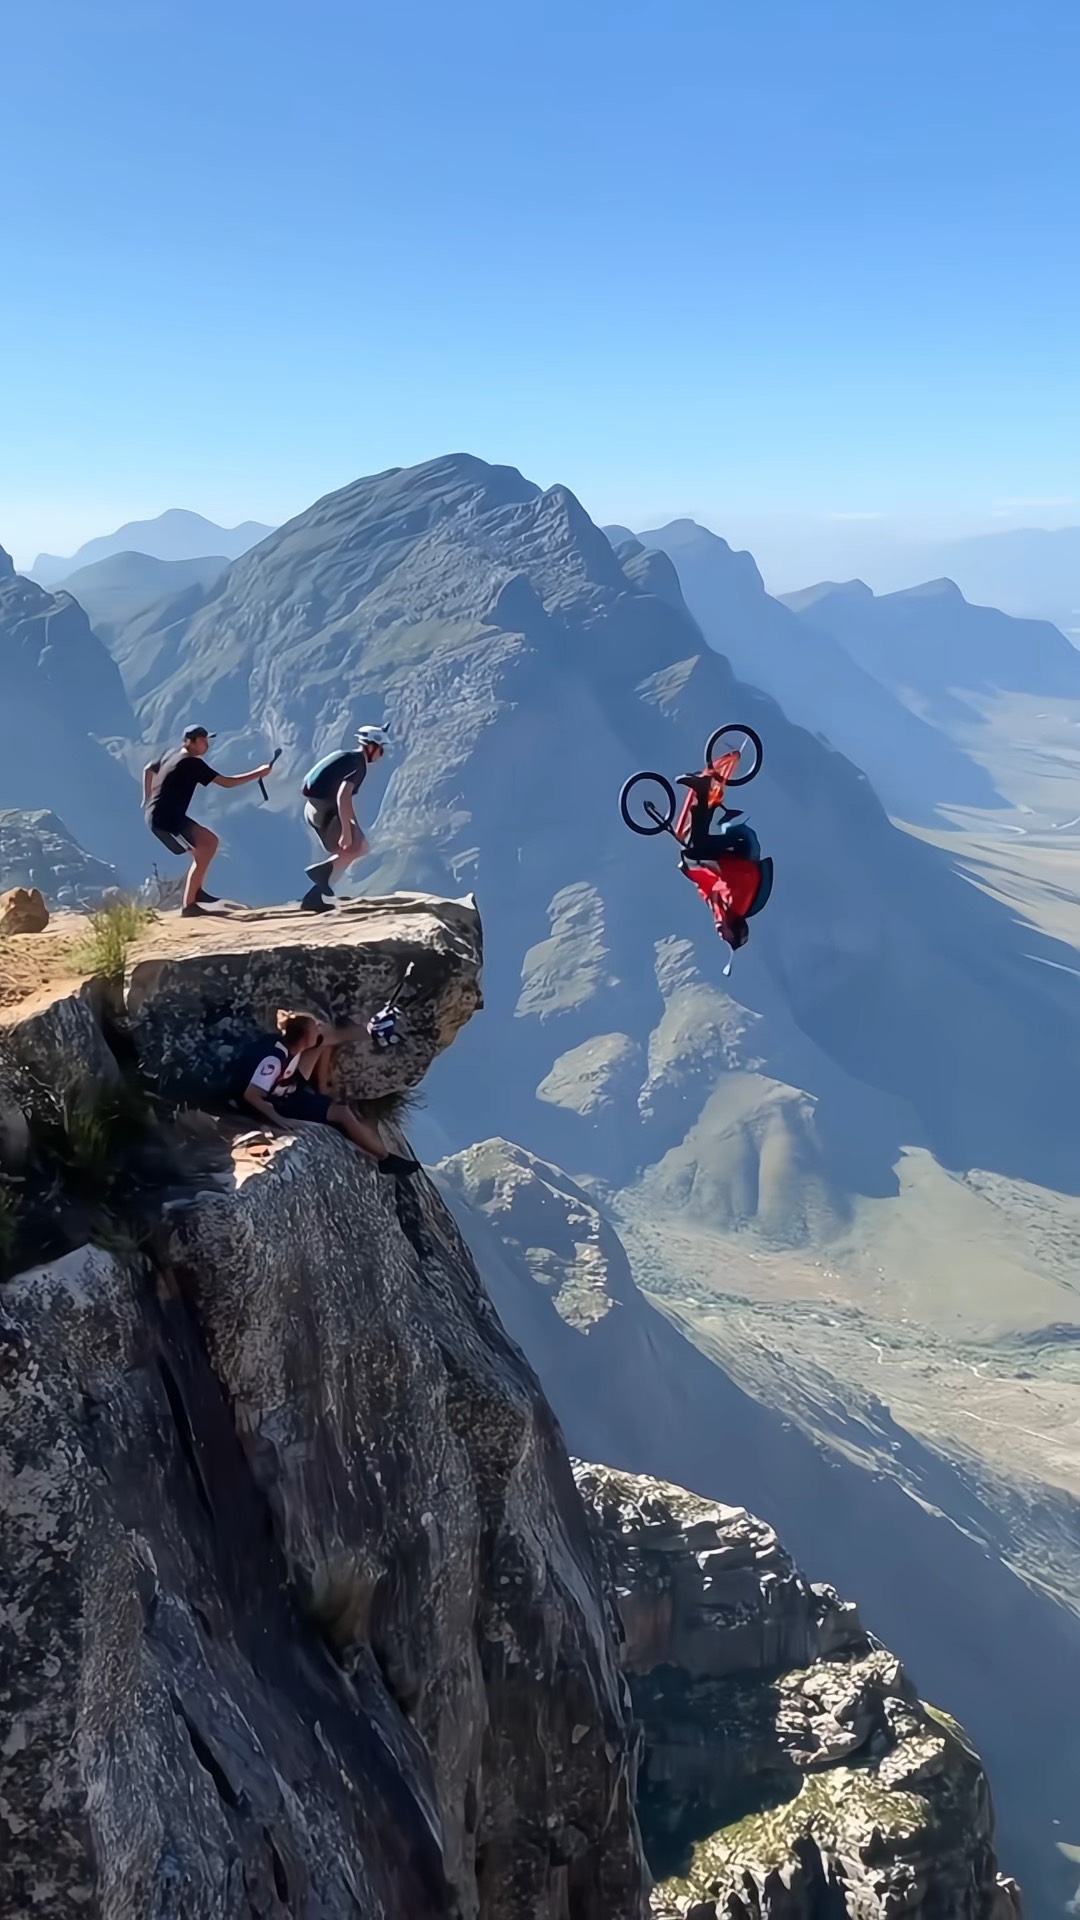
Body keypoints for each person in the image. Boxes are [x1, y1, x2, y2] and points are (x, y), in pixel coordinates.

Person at [235, 1009, 419, 1180]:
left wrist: (369, 1031)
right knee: (342, 1112)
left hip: (289, 1085)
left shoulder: (291, 1047)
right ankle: (386, 1159)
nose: (318, 1029)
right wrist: (278, 1119)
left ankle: (373, 1033)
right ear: (305, 1037)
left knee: (327, 1041)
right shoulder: (273, 1060)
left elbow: (330, 1035)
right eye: (314, 1028)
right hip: (284, 1103)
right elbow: (252, 1095)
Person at [142, 726, 276, 917]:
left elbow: (148, 769)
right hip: (166, 820)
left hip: (164, 815)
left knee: (207, 844)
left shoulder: (171, 754)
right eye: (204, 740)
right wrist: (259, 772)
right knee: (205, 847)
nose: (207, 745)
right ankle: (190, 905)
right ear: (192, 742)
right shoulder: (192, 763)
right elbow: (227, 782)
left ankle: (197, 893)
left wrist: (147, 799)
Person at [676, 773, 773, 953]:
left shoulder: (723, 915)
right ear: (734, 931)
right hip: (739, 850)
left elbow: (708, 892)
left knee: (695, 847)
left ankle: (708, 797)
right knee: (699, 845)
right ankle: (702, 789)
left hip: (728, 859)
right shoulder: (738, 904)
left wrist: (694, 874)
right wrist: (697, 867)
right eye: (728, 939)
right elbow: (731, 874)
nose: (722, 937)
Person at [299, 725, 389, 913]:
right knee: (358, 846)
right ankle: (320, 877)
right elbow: (343, 797)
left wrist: (353, 825)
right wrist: (347, 832)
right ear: (371, 746)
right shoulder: (358, 765)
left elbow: (344, 801)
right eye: (381, 748)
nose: (382, 753)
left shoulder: (346, 757)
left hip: (312, 810)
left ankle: (316, 895)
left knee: (354, 846)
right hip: (326, 811)